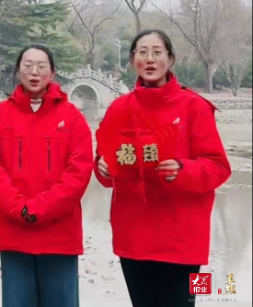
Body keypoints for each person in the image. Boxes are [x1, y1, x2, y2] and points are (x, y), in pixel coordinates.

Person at [94, 30, 231, 307]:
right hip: (133, 236)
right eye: (142, 52)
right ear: (133, 59)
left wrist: (182, 169)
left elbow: (218, 167)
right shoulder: (118, 109)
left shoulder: (195, 107)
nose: (150, 58)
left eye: (157, 52)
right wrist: (103, 167)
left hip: (182, 240)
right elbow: (105, 165)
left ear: (170, 59)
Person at [0, 44, 93, 307]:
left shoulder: (72, 117)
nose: (34, 72)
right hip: (15, 232)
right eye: (27, 66)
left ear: (53, 72)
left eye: (41, 66)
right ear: (18, 71)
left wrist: (41, 207)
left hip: (59, 234)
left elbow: (80, 170)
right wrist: (18, 207)